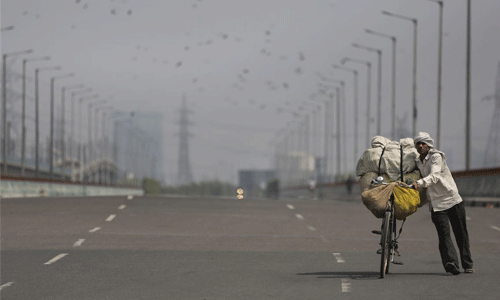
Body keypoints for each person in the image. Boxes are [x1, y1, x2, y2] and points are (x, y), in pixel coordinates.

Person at [411, 132, 473, 275]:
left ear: (429, 145)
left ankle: (467, 263)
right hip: (436, 204)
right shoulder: (417, 162)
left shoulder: (436, 157)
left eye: (423, 143)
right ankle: (451, 262)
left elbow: (434, 176)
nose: (420, 146)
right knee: (443, 235)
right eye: (418, 144)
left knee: (460, 233)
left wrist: (418, 183)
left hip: (452, 199)